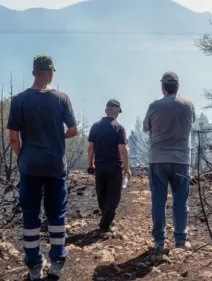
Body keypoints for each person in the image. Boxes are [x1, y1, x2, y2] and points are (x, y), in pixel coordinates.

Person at [8, 55, 78, 280]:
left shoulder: (19, 100)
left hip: (30, 166)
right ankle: (57, 261)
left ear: (33, 73)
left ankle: (34, 266)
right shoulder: (61, 98)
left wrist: (22, 156)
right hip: (55, 166)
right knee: (56, 214)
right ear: (51, 73)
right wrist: (60, 135)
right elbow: (74, 130)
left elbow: (13, 138)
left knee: (30, 215)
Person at [143, 71, 196, 257]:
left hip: (158, 159)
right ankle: (180, 241)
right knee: (181, 202)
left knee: (159, 201)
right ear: (178, 87)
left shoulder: (155, 106)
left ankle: (159, 242)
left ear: (163, 87)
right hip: (182, 160)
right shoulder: (188, 105)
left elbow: (146, 127)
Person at [86, 99, 131, 238]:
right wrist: (127, 168)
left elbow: (90, 148)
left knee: (102, 193)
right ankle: (105, 224)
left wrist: (90, 165)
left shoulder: (95, 126)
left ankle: (107, 220)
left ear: (106, 110)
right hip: (114, 166)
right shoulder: (119, 128)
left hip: (99, 165)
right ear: (117, 111)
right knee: (114, 195)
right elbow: (123, 150)